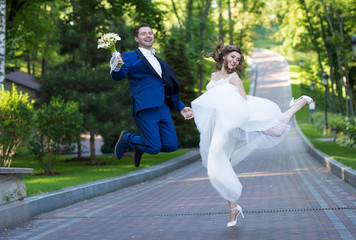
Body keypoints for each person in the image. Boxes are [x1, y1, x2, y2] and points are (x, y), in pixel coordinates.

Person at [191, 41, 313, 227]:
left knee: (277, 130)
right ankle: (234, 209)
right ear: (224, 56)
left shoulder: (234, 78)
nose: (234, 61)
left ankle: (299, 103)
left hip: (235, 119)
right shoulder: (214, 76)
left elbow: (243, 100)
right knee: (221, 163)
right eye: (232, 57)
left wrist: (231, 113)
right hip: (219, 125)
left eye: (238, 59)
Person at [111, 23, 193, 167]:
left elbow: (168, 87)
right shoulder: (129, 56)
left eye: (150, 33)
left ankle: (139, 145)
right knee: (153, 148)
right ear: (136, 38)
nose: (148, 35)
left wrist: (180, 107)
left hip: (163, 108)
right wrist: (117, 66)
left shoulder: (158, 61)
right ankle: (127, 137)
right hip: (145, 107)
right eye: (143, 33)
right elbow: (118, 76)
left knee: (171, 145)